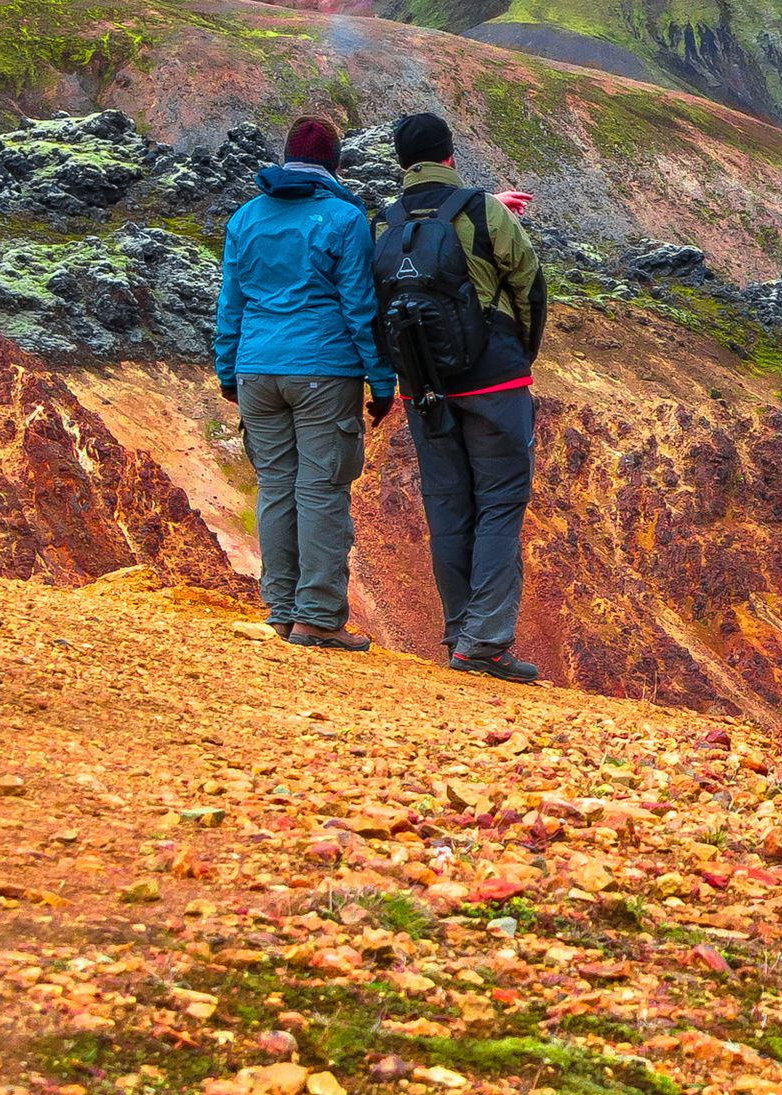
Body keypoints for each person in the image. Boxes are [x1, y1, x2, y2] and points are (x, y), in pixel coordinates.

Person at [371, 110, 551, 683]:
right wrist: (519, 353)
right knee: (499, 504)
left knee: (448, 508)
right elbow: (528, 284)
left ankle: (458, 634)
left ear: (402, 162)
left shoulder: (387, 222)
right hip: (494, 381)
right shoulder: (482, 210)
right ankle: (486, 643)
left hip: (424, 389)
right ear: (451, 154)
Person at [212, 117, 394, 650]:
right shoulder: (344, 218)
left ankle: (282, 609)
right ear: (335, 164)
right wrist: (380, 382)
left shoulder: (245, 218)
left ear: (285, 155)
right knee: (320, 490)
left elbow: (231, 304)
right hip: (323, 371)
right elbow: (360, 308)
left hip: (256, 370)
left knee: (274, 487)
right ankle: (316, 617)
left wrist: (229, 370)